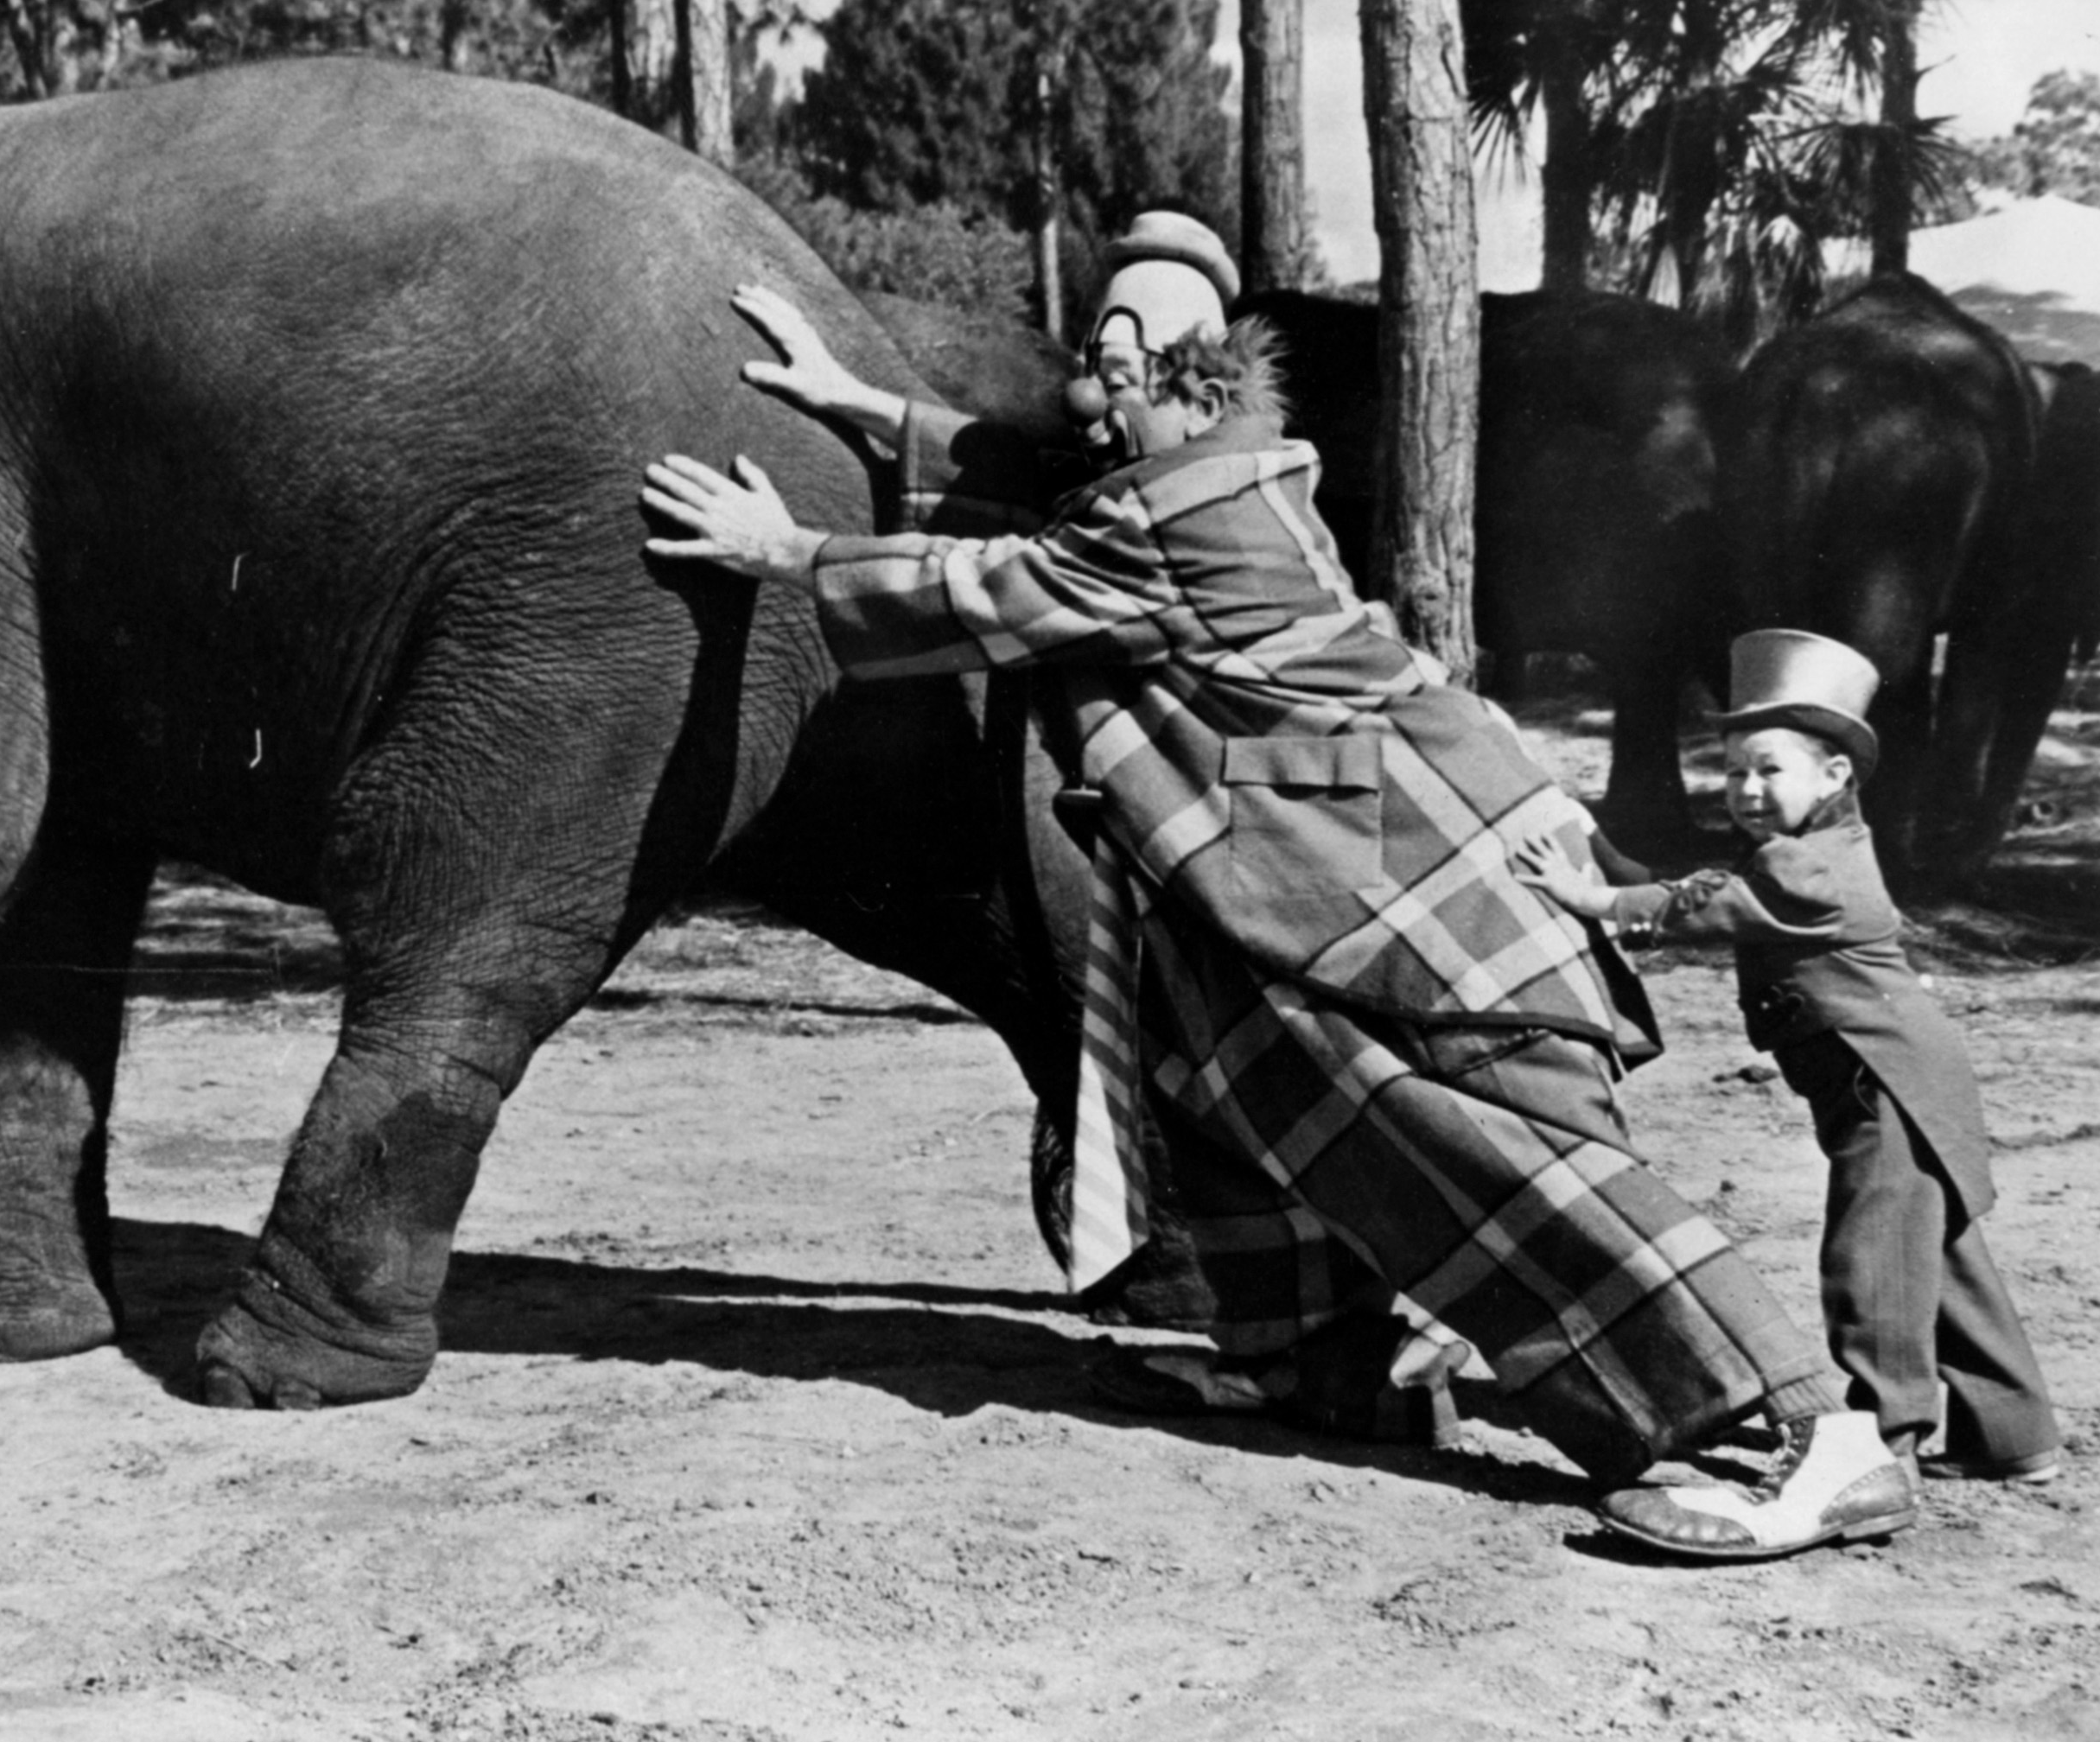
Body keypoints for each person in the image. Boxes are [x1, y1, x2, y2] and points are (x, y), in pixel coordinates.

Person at [640, 212, 1916, 1563]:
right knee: (1262, 1092)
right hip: (1322, 874)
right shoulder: (1225, 470)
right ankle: (1319, 1367)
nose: (1096, 384)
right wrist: (858, 404)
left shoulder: (1172, 517)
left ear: (1191, 378)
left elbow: (999, 584)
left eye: (1117, 359)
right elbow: (1055, 482)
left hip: (1414, 893)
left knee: (1512, 1155)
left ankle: (1804, 1431)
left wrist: (787, 550)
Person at [1516, 627, 2062, 1545]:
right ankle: (2012, 1435)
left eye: (1770, 769)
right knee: (1941, 1260)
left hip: (1884, 1086)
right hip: (1898, 1079)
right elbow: (1705, 887)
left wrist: (1594, 899)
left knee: (1873, 1263)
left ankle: (1877, 1448)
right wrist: (1601, 850)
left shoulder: (1814, 865)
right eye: (1733, 771)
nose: (1747, 788)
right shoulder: (1806, 847)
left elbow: (1711, 906)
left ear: (1835, 774)